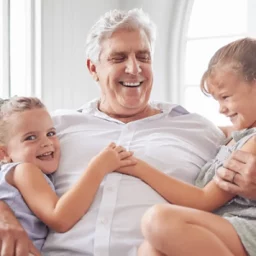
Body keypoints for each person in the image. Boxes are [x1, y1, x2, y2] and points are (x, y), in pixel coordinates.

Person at [1, 9, 256, 256]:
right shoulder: (53, 129)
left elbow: (247, 142)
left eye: (143, 57)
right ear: (93, 69)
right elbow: (8, 161)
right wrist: (3, 215)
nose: (134, 68)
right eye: (119, 57)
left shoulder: (199, 129)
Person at [128, 38, 256, 256]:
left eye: (225, 97)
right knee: (148, 250)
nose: (221, 109)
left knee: (157, 220)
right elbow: (214, 127)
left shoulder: (252, 143)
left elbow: (203, 200)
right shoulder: (234, 136)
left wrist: (136, 166)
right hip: (225, 227)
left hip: (247, 228)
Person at [0, 96, 135, 255]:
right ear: (4, 153)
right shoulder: (25, 171)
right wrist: (98, 167)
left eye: (50, 133)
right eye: (30, 137)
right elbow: (60, 218)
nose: (46, 143)